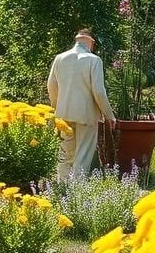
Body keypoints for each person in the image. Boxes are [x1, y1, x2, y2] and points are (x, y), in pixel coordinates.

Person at [47, 29, 116, 181]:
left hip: (63, 114)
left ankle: (62, 185)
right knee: (83, 154)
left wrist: (57, 106)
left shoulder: (59, 58)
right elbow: (98, 91)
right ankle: (77, 189)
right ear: (91, 42)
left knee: (65, 153)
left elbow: (51, 86)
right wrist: (109, 114)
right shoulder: (94, 60)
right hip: (87, 115)